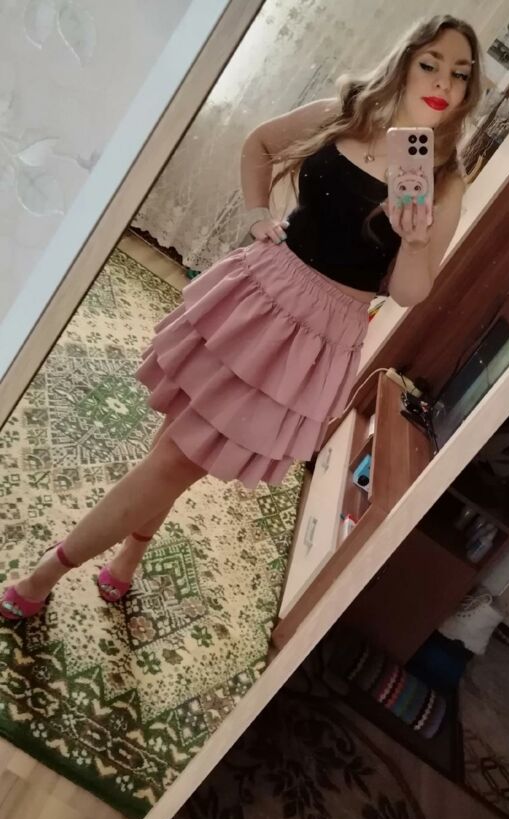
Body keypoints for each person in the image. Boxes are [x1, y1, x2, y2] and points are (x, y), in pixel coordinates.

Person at [1, 15, 481, 620]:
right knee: (174, 444)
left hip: (318, 333)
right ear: (405, 61)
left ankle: (43, 576)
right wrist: (257, 214)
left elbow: (409, 292)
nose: (442, 83)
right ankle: (127, 558)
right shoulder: (346, 113)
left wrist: (415, 240)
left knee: (178, 458)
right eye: (430, 63)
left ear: (468, 91)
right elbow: (259, 144)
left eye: (459, 74)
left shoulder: (443, 178)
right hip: (262, 289)